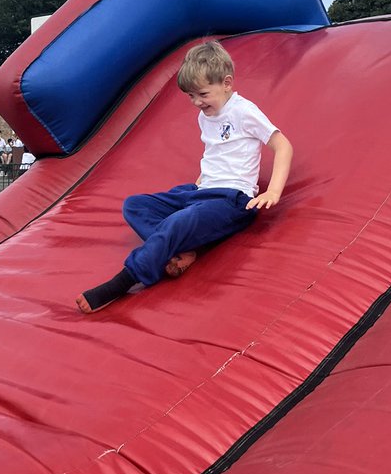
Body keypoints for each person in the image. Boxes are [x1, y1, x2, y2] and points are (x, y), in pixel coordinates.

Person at [76, 40, 293, 314]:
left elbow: (281, 144)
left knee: (180, 221)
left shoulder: (243, 111)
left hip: (232, 200)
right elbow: (215, 152)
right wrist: (200, 181)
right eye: (191, 96)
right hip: (201, 192)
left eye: (202, 94)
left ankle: (126, 280)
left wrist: (272, 192)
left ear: (226, 83)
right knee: (135, 205)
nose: (196, 102)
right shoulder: (205, 116)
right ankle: (183, 249)